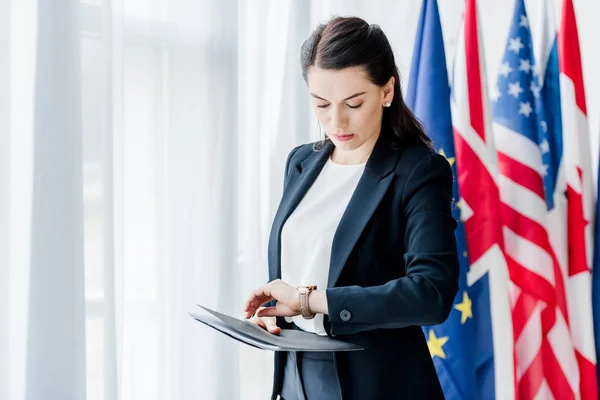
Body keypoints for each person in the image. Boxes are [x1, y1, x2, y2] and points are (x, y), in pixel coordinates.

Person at [243, 15, 459, 400]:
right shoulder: (300, 163)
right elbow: (309, 261)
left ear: (387, 90)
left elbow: (430, 294)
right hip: (295, 374)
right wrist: (281, 311)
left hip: (377, 383)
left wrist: (308, 302)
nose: (335, 121)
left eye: (353, 103)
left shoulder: (419, 171)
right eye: (321, 104)